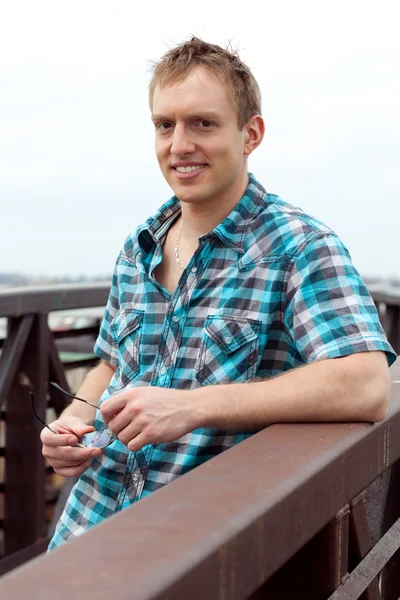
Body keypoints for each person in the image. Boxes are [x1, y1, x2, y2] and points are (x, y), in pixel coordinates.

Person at [43, 37, 397, 549]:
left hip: (199, 548)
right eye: (165, 125)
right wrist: (73, 423)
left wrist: (195, 406)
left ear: (251, 134)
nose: (179, 144)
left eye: (202, 123)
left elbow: (366, 384)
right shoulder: (138, 246)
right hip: (87, 534)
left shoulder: (298, 247)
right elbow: (108, 364)